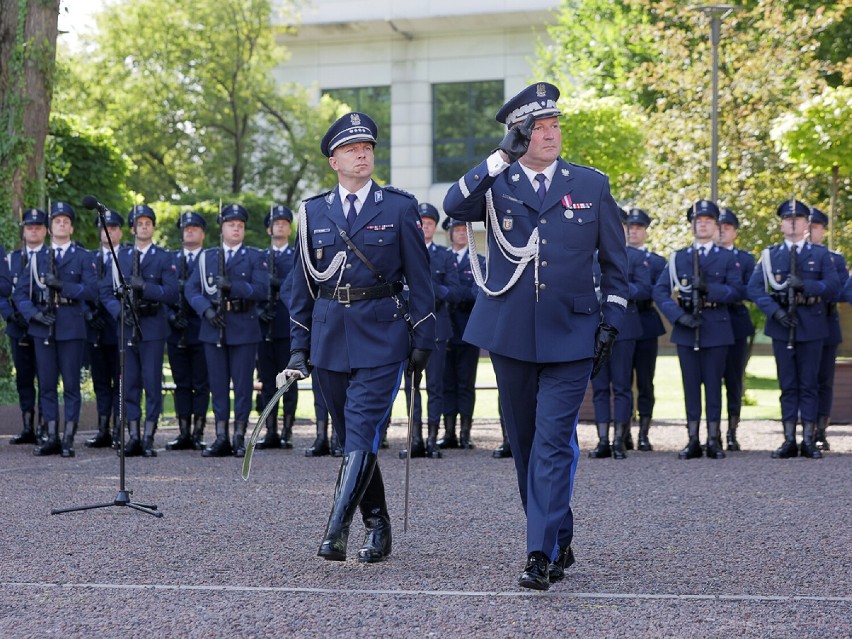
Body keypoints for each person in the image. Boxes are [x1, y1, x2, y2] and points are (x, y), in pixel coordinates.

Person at [443, 82, 628, 590]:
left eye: (554, 126)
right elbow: (451, 206)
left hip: (571, 332)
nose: (549, 135)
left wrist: (612, 317)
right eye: (537, 129)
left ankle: (538, 554)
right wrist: (499, 158)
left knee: (551, 442)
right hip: (511, 333)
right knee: (524, 443)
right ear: (519, 136)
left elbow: (616, 262)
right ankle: (558, 531)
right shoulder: (497, 185)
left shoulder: (590, 184)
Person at [280, 111, 435, 563]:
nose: (361, 154)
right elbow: (301, 287)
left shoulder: (399, 207)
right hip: (329, 335)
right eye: (350, 149)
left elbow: (421, 280)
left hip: (382, 332)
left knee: (362, 430)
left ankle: (335, 532)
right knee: (353, 438)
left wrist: (425, 336)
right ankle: (379, 524)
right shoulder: (312, 212)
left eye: (366, 147)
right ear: (334, 161)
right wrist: (297, 347)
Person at [746, 199, 840, 459]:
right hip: (781, 324)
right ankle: (789, 439)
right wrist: (774, 311)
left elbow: (833, 284)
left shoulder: (820, 254)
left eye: (798, 219)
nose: (793, 222)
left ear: (806, 224)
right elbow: (754, 288)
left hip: (811, 324)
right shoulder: (770, 255)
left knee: (809, 383)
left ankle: (808, 440)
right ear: (781, 224)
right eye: (788, 219)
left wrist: (807, 287)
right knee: (787, 384)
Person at [653, 200, 745, 460]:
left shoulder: (727, 257)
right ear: (692, 225)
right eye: (698, 220)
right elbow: (660, 291)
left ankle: (713, 439)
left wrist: (710, 290)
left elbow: (738, 290)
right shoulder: (679, 257)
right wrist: (679, 317)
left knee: (714, 384)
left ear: (716, 225)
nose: (702, 224)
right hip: (687, 327)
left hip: (716, 326)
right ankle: (693, 438)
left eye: (707, 221)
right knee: (691, 385)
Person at [15, 202, 98, 458]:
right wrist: (35, 315)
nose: (61, 224)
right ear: (50, 229)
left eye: (65, 221)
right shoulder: (37, 257)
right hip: (44, 327)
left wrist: (63, 286)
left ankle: (68, 437)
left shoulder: (83, 257)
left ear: (71, 227)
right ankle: (51, 435)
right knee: (47, 385)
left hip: (71, 324)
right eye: (57, 221)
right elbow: (20, 295)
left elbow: (92, 290)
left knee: (72, 385)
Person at [186, 203, 269, 457]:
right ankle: (221, 436)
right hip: (214, 326)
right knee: (218, 385)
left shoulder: (254, 256)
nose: (236, 229)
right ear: (222, 228)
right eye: (231, 225)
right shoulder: (207, 257)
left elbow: (261, 290)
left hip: (243, 326)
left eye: (240, 226)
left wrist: (233, 285)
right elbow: (192, 290)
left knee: (243, 386)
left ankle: (239, 437)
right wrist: (206, 310)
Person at [100, 204, 178, 457]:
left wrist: (146, 288)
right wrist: (119, 311)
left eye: (148, 223)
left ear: (153, 227)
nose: (143, 227)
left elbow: (172, 293)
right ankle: (132, 435)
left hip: (152, 326)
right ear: (132, 228)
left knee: (152, 383)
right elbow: (105, 291)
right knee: (129, 383)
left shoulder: (164, 257)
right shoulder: (120, 256)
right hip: (127, 326)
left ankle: (148, 436)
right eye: (139, 223)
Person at [398, 202, 460, 459]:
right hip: (408, 327)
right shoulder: (402, 253)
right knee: (410, 387)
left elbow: (455, 290)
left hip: (436, 326)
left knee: (435, 385)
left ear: (435, 227)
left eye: (429, 223)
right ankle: (415, 438)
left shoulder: (445, 256)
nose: (425, 226)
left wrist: (431, 292)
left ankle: (433, 438)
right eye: (421, 222)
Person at [589, 209, 652, 460]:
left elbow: (645, 289)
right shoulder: (587, 257)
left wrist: (616, 291)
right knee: (600, 386)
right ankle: (602, 439)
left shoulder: (634, 257)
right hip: (593, 326)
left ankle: (619, 439)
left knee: (623, 386)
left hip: (624, 326)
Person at [438, 217, 489, 453]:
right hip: (445, 328)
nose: (459, 234)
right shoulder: (440, 259)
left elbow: (476, 293)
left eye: (463, 230)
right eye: (456, 230)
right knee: (446, 382)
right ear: (449, 233)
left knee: (466, 383)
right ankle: (448, 432)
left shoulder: (479, 262)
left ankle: (465, 433)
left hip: (468, 329)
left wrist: (450, 293)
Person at [165, 211, 210, 451]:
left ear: (202, 233)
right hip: (176, 328)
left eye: (194, 228)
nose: (189, 231)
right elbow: (163, 294)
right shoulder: (171, 259)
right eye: (186, 228)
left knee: (201, 383)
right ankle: (183, 431)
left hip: (201, 327)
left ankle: (198, 432)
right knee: (181, 382)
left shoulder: (209, 259)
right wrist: (170, 316)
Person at [255, 205, 299, 450]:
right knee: (267, 381)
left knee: (289, 381)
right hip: (264, 327)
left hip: (288, 326)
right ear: (268, 228)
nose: (280, 226)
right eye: (275, 222)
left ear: (289, 228)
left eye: (284, 222)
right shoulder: (260, 258)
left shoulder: (295, 255)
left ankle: (287, 431)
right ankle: (270, 429)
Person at [2, 209, 46, 445]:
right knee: (24, 378)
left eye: (38, 227)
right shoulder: (11, 259)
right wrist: (10, 316)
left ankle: (44, 426)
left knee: (46, 376)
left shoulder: (51, 257)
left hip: (43, 325)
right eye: (30, 227)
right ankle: (27, 425)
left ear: (45, 231)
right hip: (18, 327)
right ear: (24, 231)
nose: (34, 230)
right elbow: (2, 294)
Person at [805, 206, 847, 451]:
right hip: (804, 323)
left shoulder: (835, 259)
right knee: (804, 379)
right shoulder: (796, 257)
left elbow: (840, 291)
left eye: (816, 227)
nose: (811, 232)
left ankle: (821, 429)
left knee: (824, 380)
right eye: (808, 227)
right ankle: (805, 429)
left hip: (827, 323)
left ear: (823, 230)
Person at [84, 209, 126, 449]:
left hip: (117, 327)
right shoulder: (90, 259)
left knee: (119, 381)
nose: (108, 232)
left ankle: (119, 428)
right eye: (104, 228)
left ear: (119, 231)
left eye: (112, 228)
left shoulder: (126, 258)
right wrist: (88, 314)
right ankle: (103, 428)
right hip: (94, 328)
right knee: (100, 381)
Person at [626, 208, 667, 451]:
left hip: (645, 322)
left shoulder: (656, 262)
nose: (633, 231)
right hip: (623, 321)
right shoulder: (615, 255)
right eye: (630, 227)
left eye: (638, 227)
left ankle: (643, 431)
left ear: (646, 232)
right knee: (622, 381)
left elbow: (655, 290)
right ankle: (624, 431)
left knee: (645, 380)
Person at [717, 208, 755, 450]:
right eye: (719, 227)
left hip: (736, 322)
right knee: (710, 380)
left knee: (733, 379)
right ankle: (712, 430)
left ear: (735, 232)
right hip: (710, 323)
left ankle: (732, 429)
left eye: (727, 227)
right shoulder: (702, 257)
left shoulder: (746, 259)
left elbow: (750, 290)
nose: (722, 232)